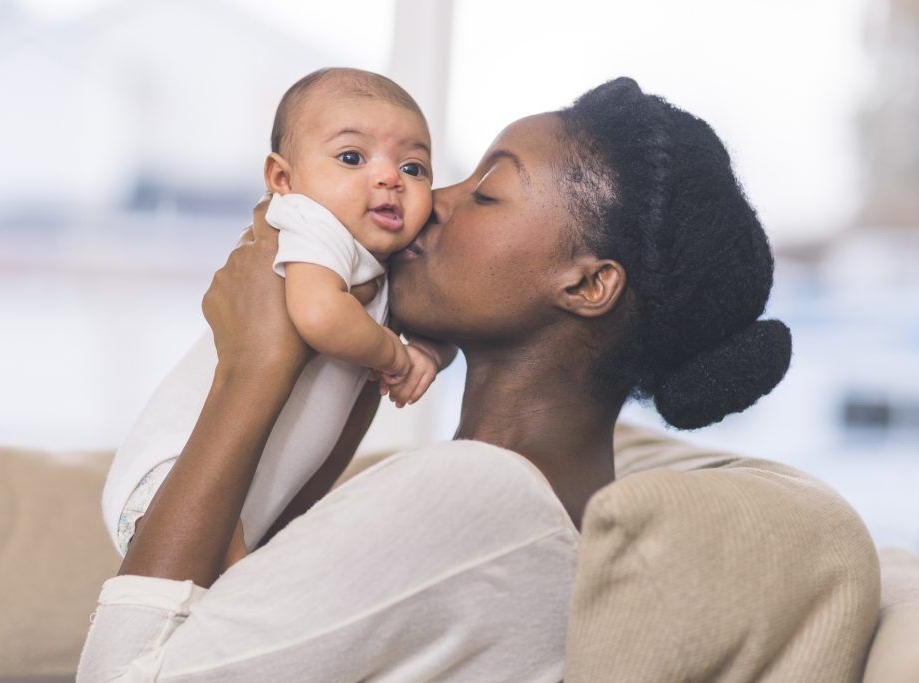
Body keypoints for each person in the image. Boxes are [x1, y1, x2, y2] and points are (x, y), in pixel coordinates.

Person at [77, 77, 792, 681]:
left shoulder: (482, 495)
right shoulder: (526, 500)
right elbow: (247, 604)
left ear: (587, 284)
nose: (430, 198)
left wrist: (252, 367)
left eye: (488, 191)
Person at [101, 68, 456, 560]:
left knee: (232, 602)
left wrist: (432, 353)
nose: (389, 177)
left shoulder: (386, 257)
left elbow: (449, 317)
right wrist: (399, 358)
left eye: (414, 168)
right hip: (173, 471)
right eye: (352, 157)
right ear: (283, 179)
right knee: (223, 600)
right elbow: (320, 314)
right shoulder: (310, 221)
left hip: (251, 492)